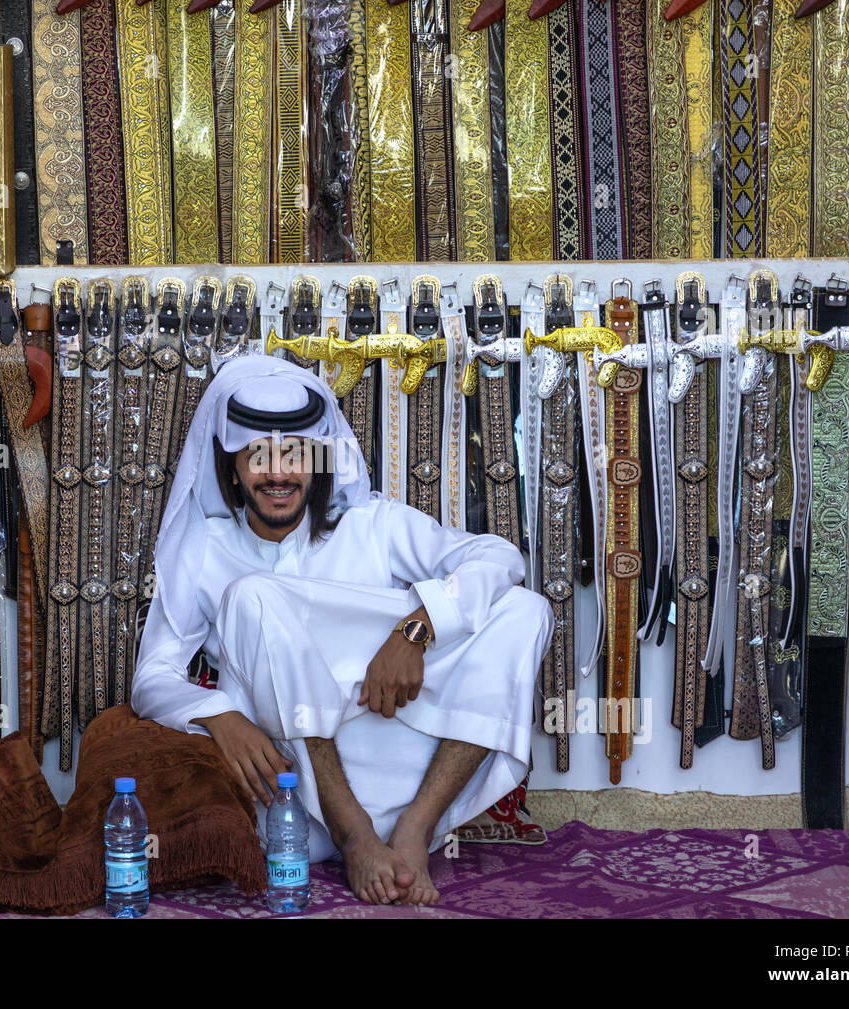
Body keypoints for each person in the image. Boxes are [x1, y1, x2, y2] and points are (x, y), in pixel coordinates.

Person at [131, 355, 553, 906]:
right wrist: (222, 717)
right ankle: (353, 834)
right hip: (294, 800)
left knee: (525, 609)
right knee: (253, 595)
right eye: (258, 456)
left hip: (399, 763)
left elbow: (498, 556)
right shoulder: (206, 546)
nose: (278, 473)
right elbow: (152, 677)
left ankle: (416, 829)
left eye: (295, 455)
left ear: (319, 461)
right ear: (231, 465)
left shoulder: (372, 526)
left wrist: (415, 631)